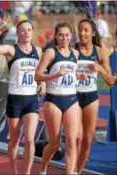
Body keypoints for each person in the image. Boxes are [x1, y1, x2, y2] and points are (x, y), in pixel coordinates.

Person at [0, 16, 45, 175]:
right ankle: (14, 171)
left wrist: (43, 83)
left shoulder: (38, 51)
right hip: (15, 100)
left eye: (29, 30)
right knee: (14, 140)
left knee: (30, 140)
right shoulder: (11, 50)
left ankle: (26, 172)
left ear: (32, 32)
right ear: (18, 33)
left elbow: (41, 70)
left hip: (32, 99)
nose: (26, 33)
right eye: (22, 30)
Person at [35, 22, 87, 175]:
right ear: (56, 36)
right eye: (61, 35)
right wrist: (56, 75)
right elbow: (38, 75)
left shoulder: (75, 54)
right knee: (55, 143)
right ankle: (43, 167)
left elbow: (70, 73)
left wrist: (78, 75)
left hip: (71, 100)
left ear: (71, 36)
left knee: (72, 140)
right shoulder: (50, 53)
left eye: (67, 35)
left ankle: (70, 172)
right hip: (54, 101)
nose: (64, 38)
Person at [75, 18, 114, 174]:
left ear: (92, 33)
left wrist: (100, 68)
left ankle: (78, 170)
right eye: (80, 30)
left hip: (91, 98)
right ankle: (71, 170)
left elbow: (110, 81)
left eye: (86, 30)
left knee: (87, 141)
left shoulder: (99, 52)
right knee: (75, 138)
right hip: (72, 97)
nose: (82, 33)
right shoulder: (72, 49)